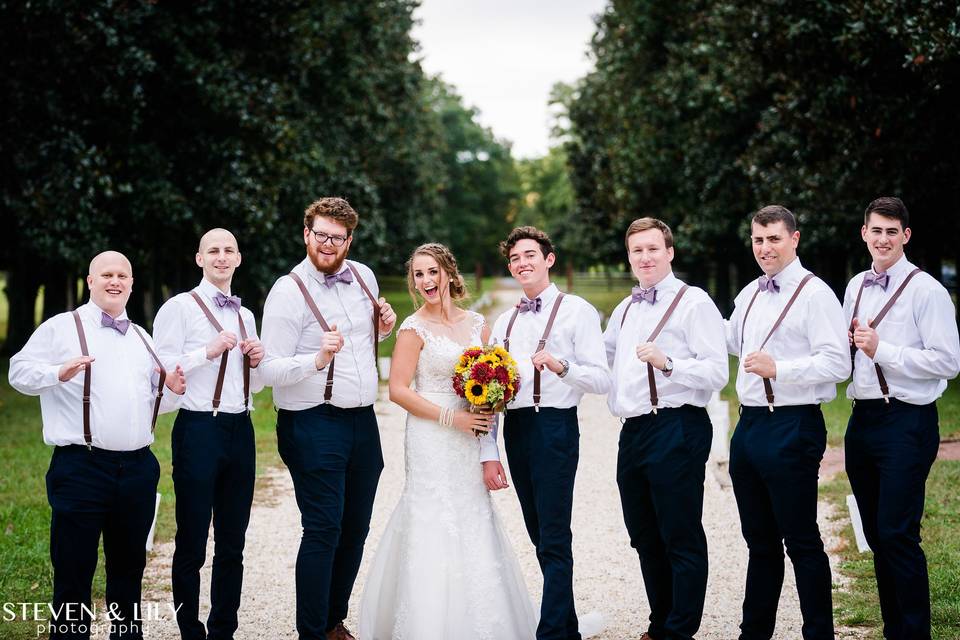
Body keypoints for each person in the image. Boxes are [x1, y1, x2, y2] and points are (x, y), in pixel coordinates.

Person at [358, 242, 537, 639]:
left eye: (432, 272)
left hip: (469, 432)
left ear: (449, 274)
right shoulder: (412, 328)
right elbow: (399, 391)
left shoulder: (477, 325)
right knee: (431, 514)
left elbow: (491, 388)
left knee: (473, 513)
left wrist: (486, 439)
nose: (426, 281)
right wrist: (449, 417)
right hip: (430, 433)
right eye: (418, 274)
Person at [8, 250, 185, 640]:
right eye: (106, 274)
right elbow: (18, 371)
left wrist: (171, 391)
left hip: (138, 468)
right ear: (90, 281)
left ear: (132, 284)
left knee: (129, 570)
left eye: (123, 275)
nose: (115, 281)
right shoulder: (61, 327)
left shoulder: (142, 337)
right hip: (81, 467)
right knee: (73, 571)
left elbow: (155, 401)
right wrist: (58, 371)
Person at [258, 197, 397, 640]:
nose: (328, 245)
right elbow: (267, 371)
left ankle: (334, 619)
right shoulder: (287, 291)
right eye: (321, 235)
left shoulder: (363, 277)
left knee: (356, 527)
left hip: (362, 421)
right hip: (311, 422)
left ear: (349, 240)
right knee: (323, 528)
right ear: (306, 233)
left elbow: (362, 340)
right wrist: (316, 359)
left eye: (338, 238)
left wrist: (386, 325)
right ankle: (312, 632)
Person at [725, 205, 849, 640]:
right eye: (758, 240)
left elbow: (838, 363)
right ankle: (754, 633)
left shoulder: (816, 294)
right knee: (759, 542)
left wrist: (781, 369)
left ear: (794, 239)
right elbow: (725, 338)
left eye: (774, 238)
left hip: (793, 425)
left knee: (800, 540)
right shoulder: (750, 293)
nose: (765, 248)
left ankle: (819, 633)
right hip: (749, 428)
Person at [603, 218, 728, 640]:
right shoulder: (624, 309)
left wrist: (668, 362)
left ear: (670, 252)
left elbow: (716, 372)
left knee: (679, 532)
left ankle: (679, 630)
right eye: (637, 250)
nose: (645, 257)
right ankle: (661, 623)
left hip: (677, 425)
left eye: (653, 248)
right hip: (633, 431)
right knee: (643, 534)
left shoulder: (695, 303)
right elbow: (600, 360)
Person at [843, 197, 960, 640]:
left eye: (892, 231)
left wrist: (883, 351)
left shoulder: (926, 289)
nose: (883, 239)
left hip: (907, 422)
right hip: (862, 420)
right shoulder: (855, 286)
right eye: (876, 230)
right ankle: (894, 630)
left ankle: (914, 634)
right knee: (877, 536)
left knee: (897, 532)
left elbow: (948, 361)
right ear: (864, 233)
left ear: (906, 236)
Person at [486, 226, 611, 640]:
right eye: (515, 259)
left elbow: (600, 380)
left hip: (555, 426)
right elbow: (489, 391)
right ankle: (566, 624)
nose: (522, 263)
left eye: (530, 255)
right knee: (539, 532)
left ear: (549, 259)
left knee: (554, 533)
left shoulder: (578, 311)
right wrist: (490, 450)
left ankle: (554, 632)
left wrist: (563, 367)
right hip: (517, 428)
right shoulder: (504, 320)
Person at [152, 228, 266, 640]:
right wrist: (208, 352)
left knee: (233, 541)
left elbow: (252, 386)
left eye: (229, 250)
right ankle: (189, 630)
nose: (221, 257)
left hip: (241, 428)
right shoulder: (178, 308)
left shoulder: (246, 315)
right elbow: (160, 370)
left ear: (239, 258)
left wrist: (256, 360)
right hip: (199, 427)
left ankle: (223, 629)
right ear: (199, 259)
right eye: (213, 250)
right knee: (192, 539)